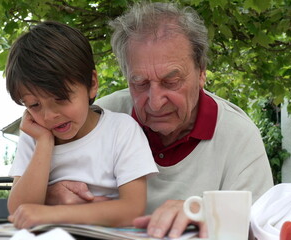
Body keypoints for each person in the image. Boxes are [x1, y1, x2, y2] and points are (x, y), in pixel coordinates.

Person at [45, 2, 273, 238]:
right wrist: (50, 195)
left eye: (171, 82)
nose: (155, 102)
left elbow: (262, 228)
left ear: (202, 72)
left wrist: (210, 216)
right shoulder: (99, 117)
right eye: (140, 83)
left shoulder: (238, 135)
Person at [5, 21, 158, 229]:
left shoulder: (121, 130)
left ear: (92, 84)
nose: (49, 116)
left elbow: (132, 210)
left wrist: (54, 214)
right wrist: (44, 143)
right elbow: (19, 209)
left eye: (60, 98)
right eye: (34, 105)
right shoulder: (34, 136)